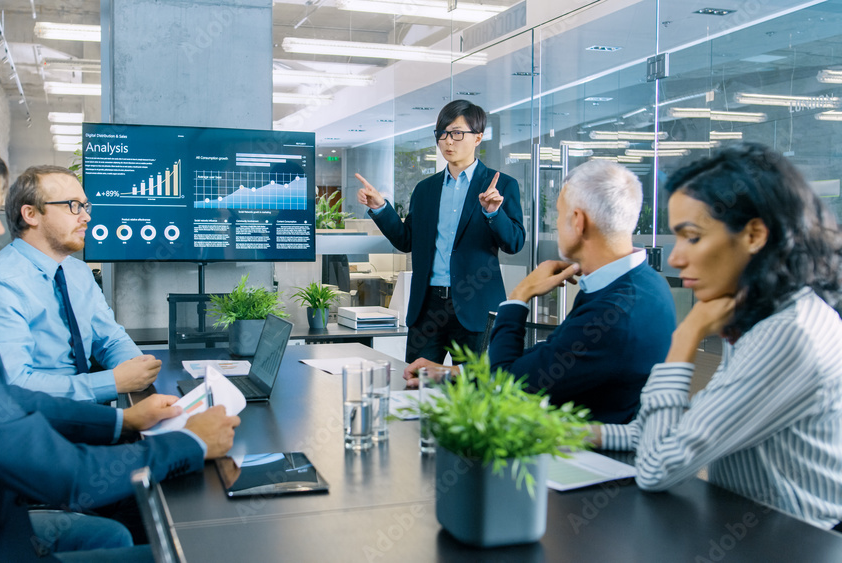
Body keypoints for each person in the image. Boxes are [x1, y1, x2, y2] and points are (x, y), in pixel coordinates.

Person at [0, 126, 240, 562]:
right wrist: (192, 444)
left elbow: (2, 398)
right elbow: (67, 477)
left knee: (108, 538)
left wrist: (121, 422)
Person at [591, 143, 842, 529]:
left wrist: (686, 337)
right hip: (749, 531)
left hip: (796, 544)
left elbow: (658, 466)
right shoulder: (764, 314)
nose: (675, 258)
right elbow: (677, 429)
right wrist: (574, 433)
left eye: (692, 237)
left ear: (754, 234)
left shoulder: (788, 335)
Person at [405, 160, 676, 423]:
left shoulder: (613, 312)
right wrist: (454, 373)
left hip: (579, 458)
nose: (557, 224)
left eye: (559, 214)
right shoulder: (645, 284)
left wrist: (519, 296)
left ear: (578, 221)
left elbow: (508, 384)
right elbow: (546, 360)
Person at [0, 165, 158, 403]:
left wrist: (137, 367)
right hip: (37, 423)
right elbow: (13, 384)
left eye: (85, 206)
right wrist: (114, 382)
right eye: (73, 205)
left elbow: (110, 339)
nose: (86, 216)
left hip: (87, 416)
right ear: (31, 214)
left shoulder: (77, 272)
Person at [355, 100, 525, 363]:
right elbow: (406, 240)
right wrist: (380, 208)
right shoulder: (426, 189)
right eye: (442, 133)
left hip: (475, 307)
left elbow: (514, 243)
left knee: (471, 394)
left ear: (478, 137)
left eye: (457, 133)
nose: (448, 141)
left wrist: (493, 213)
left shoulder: (501, 185)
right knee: (417, 387)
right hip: (428, 308)